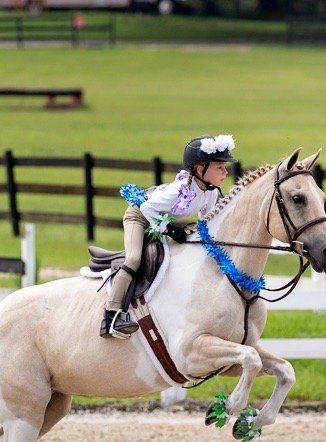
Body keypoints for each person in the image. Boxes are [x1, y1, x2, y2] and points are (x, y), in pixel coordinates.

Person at [100, 134, 237, 338]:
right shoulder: (177, 191)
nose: (225, 172)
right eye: (219, 167)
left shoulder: (210, 192)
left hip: (159, 220)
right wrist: (171, 230)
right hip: (139, 216)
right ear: (200, 169)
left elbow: (206, 222)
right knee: (134, 259)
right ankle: (111, 317)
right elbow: (147, 208)